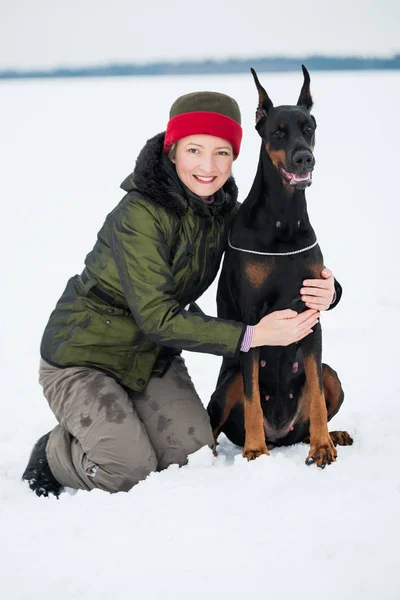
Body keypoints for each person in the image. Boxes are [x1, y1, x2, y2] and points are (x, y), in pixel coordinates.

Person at [22, 91, 341, 498]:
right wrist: (251, 336)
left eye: (222, 153)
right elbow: (156, 317)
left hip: (152, 357)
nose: (208, 167)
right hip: (85, 356)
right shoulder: (139, 214)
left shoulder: (225, 213)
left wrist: (330, 291)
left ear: (236, 157)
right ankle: (53, 452)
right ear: (172, 152)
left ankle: (123, 422)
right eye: (194, 150)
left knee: (192, 454)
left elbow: (285, 259)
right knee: (127, 469)